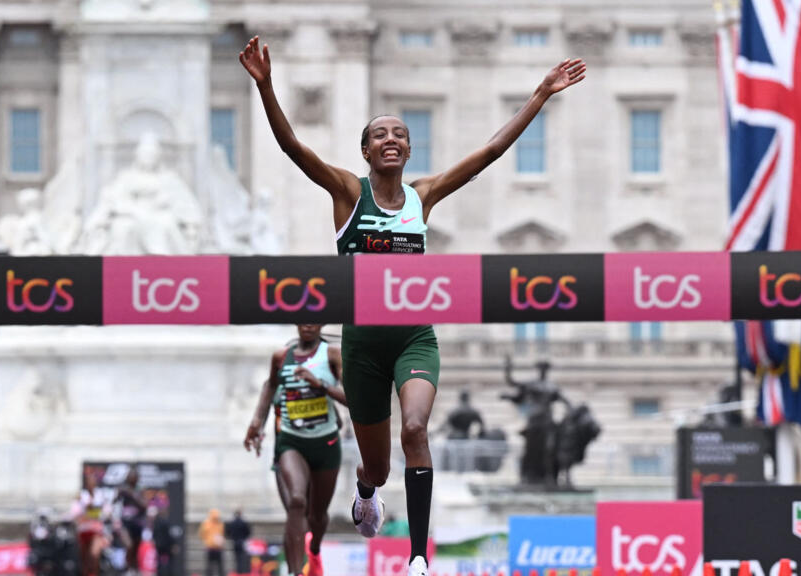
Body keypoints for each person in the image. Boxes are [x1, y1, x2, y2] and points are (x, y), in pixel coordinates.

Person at [240, 35, 586, 576]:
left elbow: (489, 154)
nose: (392, 140)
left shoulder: (424, 196)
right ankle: (366, 489)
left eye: (400, 134)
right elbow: (293, 149)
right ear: (366, 151)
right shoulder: (348, 194)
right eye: (380, 135)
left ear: (408, 148)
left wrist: (541, 93)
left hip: (413, 337)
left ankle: (420, 555)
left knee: (417, 430)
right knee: (377, 467)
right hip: (361, 347)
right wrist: (265, 87)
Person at [244, 324, 346, 576]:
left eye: (313, 321)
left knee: (318, 515)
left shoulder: (331, 355)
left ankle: (315, 549)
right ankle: (295, 571)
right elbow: (269, 387)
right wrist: (257, 422)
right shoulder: (281, 360)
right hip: (289, 444)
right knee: (296, 503)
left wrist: (320, 385)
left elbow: (350, 399)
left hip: (325, 444)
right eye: (302, 320)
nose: (307, 325)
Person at [71, 472, 111, 576]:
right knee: (84, 558)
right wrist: (86, 508)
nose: (91, 483)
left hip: (96, 531)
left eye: (93, 481)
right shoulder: (81, 496)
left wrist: (97, 511)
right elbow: (75, 513)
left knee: (94, 555)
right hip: (83, 530)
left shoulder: (100, 495)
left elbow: (107, 511)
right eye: (89, 481)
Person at [114, 468, 147, 571]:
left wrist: (131, 494)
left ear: (137, 479)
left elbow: (144, 505)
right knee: (129, 545)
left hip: (137, 524)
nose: (131, 479)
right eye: (129, 477)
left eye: (133, 477)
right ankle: (126, 568)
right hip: (125, 523)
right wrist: (119, 494)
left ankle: (133, 569)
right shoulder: (122, 489)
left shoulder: (140, 490)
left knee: (136, 549)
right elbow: (114, 502)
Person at [199, 508, 226, 576]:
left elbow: (202, 534)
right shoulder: (217, 523)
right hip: (212, 547)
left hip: (214, 547)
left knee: (215, 566)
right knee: (213, 566)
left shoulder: (209, 523)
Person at [225, 509, 251, 574]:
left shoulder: (232, 523)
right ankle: (242, 571)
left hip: (235, 541)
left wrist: (231, 537)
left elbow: (228, 532)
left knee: (236, 557)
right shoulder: (243, 522)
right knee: (242, 557)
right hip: (242, 541)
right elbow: (248, 532)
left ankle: (238, 570)